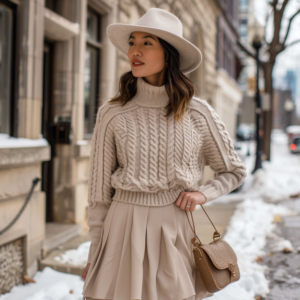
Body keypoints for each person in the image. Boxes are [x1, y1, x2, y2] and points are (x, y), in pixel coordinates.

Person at [81, 7, 246, 300]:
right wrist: (95, 252)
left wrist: (202, 194)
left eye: (147, 42)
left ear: (168, 53)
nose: (135, 50)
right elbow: (98, 195)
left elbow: (233, 170)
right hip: (122, 228)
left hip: (175, 228)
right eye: (132, 41)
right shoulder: (112, 113)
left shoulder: (197, 112)